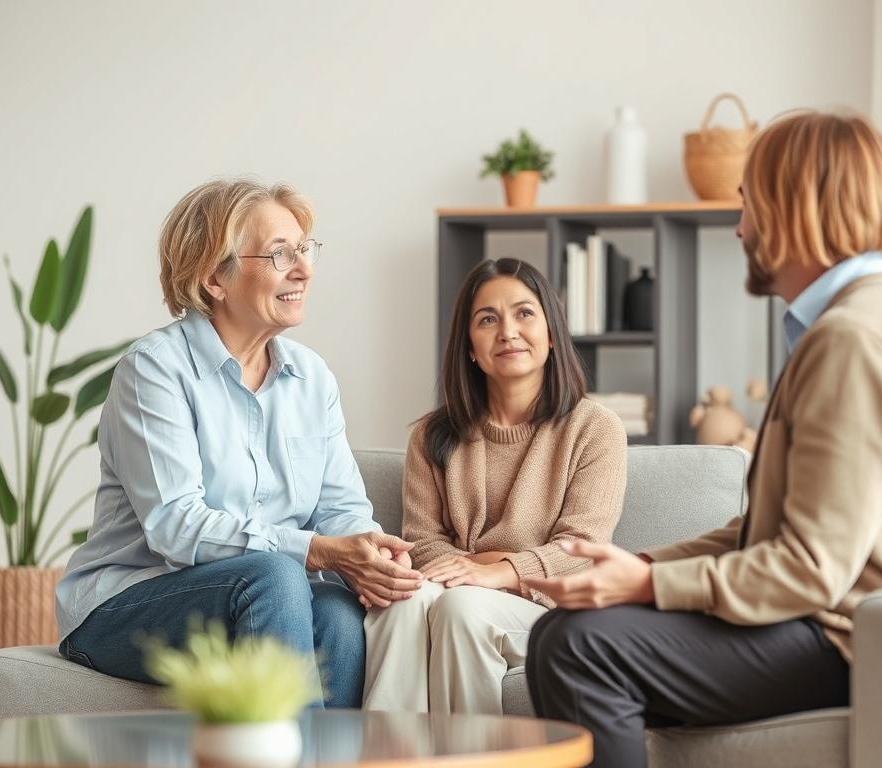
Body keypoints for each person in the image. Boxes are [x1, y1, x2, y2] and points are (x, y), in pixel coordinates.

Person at [523, 111, 882, 766]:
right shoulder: (869, 319)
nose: (741, 227)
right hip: (842, 621)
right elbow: (771, 530)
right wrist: (643, 567)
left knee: (578, 645)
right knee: (574, 636)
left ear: (795, 207)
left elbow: (809, 566)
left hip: (851, 638)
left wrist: (647, 589)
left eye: (749, 203)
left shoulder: (854, 341)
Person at [55, 179, 423, 707]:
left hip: (262, 590)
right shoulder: (155, 369)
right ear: (214, 280)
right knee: (276, 577)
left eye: (303, 249)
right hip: (126, 603)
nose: (303, 269)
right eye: (279, 254)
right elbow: (176, 528)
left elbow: (340, 507)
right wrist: (317, 550)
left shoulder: (311, 377)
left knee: (340, 613)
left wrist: (369, 552)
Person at [362, 257, 627, 714]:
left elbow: (580, 550)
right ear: (469, 346)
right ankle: (391, 757)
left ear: (550, 333)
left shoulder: (595, 428)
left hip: (551, 612)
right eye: (488, 320)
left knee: (462, 607)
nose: (507, 331)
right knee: (401, 603)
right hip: (455, 593)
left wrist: (494, 573)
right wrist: (478, 572)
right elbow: (422, 544)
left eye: (524, 313)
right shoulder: (431, 436)